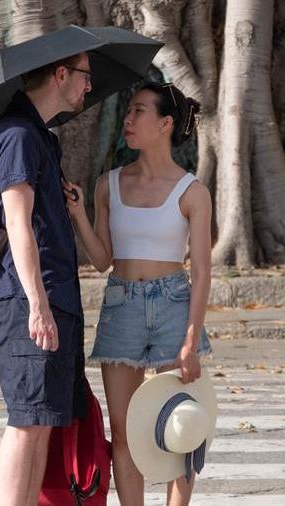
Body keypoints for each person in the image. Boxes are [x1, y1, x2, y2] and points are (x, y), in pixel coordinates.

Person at [63, 82, 213, 506]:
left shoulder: (193, 192)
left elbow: (201, 271)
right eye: (128, 111)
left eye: (139, 112)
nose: (128, 120)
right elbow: (102, 259)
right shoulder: (107, 184)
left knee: (178, 424)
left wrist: (190, 340)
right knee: (124, 430)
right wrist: (78, 216)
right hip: (121, 305)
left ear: (165, 124)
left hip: (173, 303)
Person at [0, 52, 92, 506]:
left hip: (53, 295)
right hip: (30, 299)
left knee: (43, 419)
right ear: (60, 73)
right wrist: (38, 304)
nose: (89, 87)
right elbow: (17, 224)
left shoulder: (40, 138)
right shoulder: (17, 136)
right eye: (86, 77)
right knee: (26, 421)